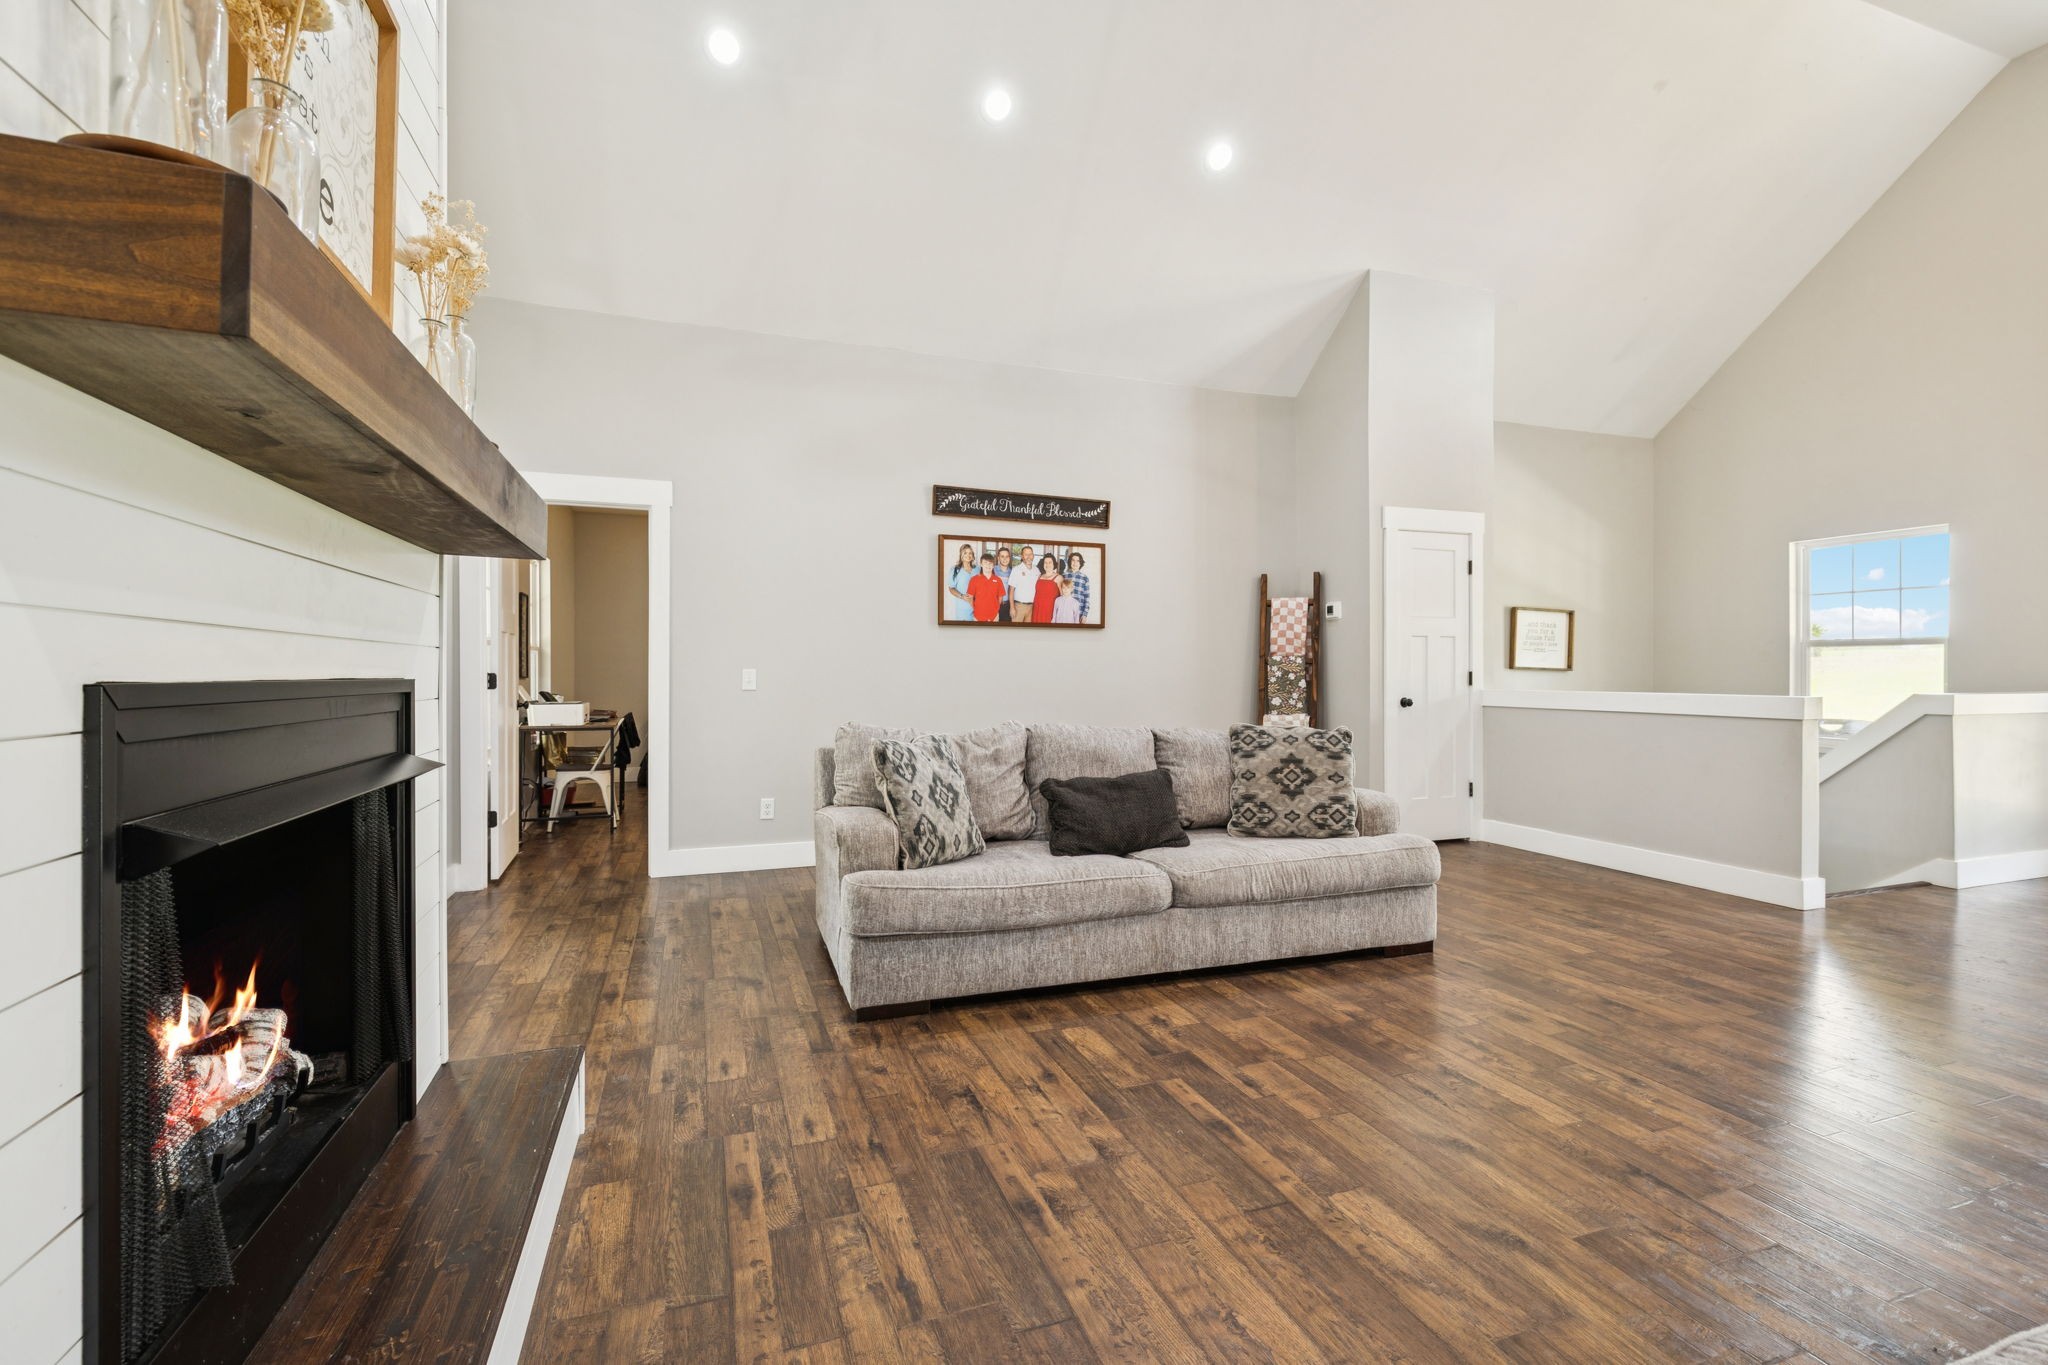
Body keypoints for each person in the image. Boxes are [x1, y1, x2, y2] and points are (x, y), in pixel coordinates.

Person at [965, 554, 1006, 622]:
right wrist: (975, 609)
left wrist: (996, 610)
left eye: (990, 563)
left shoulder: (998, 580)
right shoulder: (974, 579)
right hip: (978, 617)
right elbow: (970, 597)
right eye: (985, 563)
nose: (988, 565)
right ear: (981, 564)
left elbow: (1000, 597)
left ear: (993, 565)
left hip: (994, 617)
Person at [945, 542, 977, 621]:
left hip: (978, 607)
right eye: (965, 553)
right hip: (963, 609)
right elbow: (951, 588)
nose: (968, 555)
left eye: (970, 553)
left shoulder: (978, 569)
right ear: (961, 555)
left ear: (973, 555)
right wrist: (962, 596)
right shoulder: (955, 570)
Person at [1008, 544, 1039, 622]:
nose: (1029, 557)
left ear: (1033, 556)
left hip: (1032, 607)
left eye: (1030, 554)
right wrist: (1012, 608)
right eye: (1026, 554)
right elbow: (1011, 590)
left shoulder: (1037, 570)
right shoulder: (1016, 569)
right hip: (1019, 606)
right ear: (1022, 556)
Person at [1032, 554, 1061, 623]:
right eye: (1045, 562)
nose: (1047, 564)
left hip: (1050, 610)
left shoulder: (1059, 578)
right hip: (1037, 609)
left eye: (1050, 562)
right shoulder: (1040, 576)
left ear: (1054, 564)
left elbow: (1062, 597)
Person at [1065, 550, 1092, 623]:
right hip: (1066, 612)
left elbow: (1087, 598)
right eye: (1073, 560)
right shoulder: (1064, 576)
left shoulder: (1084, 578)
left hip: (1079, 613)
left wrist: (1085, 615)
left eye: (1077, 561)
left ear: (1080, 563)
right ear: (1070, 562)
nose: (1075, 563)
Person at [991, 545, 1015, 622]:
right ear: (998, 558)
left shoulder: (1013, 572)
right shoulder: (992, 570)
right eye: (1002, 556)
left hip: (1008, 605)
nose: (1005, 559)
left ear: (1009, 558)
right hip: (994, 604)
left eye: (1007, 556)